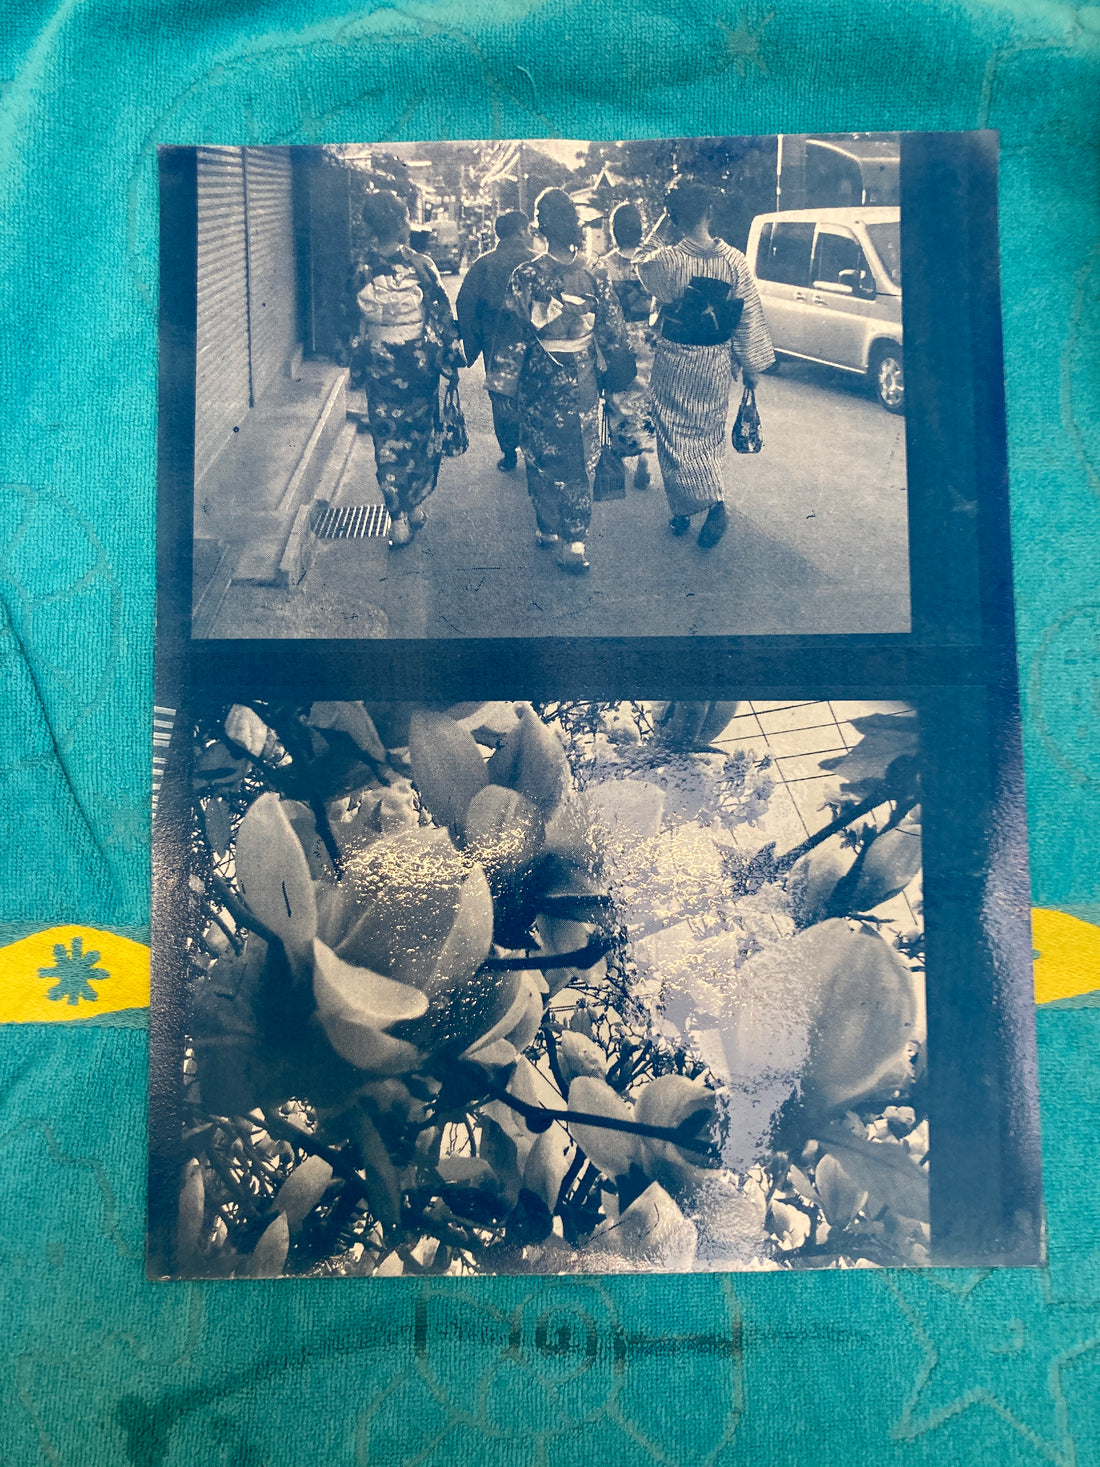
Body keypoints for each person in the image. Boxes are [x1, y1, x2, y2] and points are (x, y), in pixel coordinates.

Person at [487, 189, 634, 574]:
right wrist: (616, 368)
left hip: (539, 378)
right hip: (583, 375)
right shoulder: (594, 272)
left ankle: (547, 526)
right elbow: (614, 329)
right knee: (580, 458)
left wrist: (503, 385)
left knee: (539, 453)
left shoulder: (527, 276)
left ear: (540, 227)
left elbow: (512, 334)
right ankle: (576, 541)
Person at [635, 180, 775, 548]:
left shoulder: (667, 260)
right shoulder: (734, 261)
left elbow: (641, 263)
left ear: (674, 216)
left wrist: (662, 226)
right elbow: (748, 317)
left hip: (676, 361)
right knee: (708, 436)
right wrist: (751, 366)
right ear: (710, 212)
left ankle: (686, 509)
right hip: (714, 361)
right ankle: (711, 501)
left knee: (672, 437)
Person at [351, 190, 464, 548]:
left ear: (370, 225)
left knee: (387, 438)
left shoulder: (361, 266)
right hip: (418, 363)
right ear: (401, 223)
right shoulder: (421, 265)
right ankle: (413, 505)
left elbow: (350, 317)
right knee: (418, 434)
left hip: (380, 362)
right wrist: (448, 352)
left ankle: (398, 517)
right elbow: (442, 314)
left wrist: (358, 355)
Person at [454, 210, 538, 472]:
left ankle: (509, 451)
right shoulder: (537, 261)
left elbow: (465, 302)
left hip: (497, 340)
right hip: (535, 340)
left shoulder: (484, 263)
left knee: (503, 395)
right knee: (535, 393)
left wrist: (473, 341)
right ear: (521, 231)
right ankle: (537, 451)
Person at [599, 202, 657, 491]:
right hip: (647, 337)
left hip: (618, 339)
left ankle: (622, 455)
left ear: (613, 231)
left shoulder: (604, 265)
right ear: (640, 230)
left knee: (618, 398)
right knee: (646, 397)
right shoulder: (652, 261)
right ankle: (646, 455)